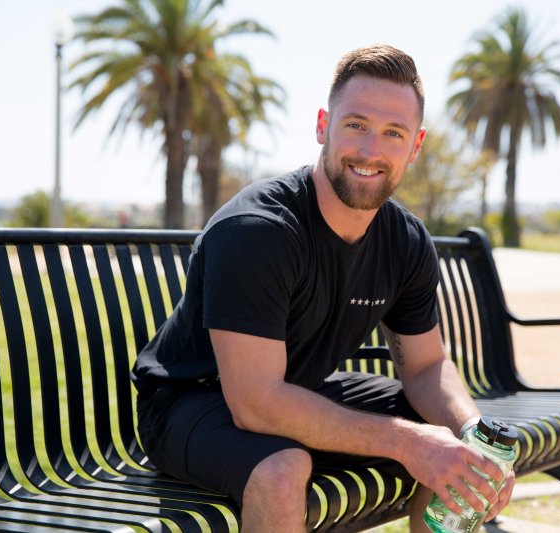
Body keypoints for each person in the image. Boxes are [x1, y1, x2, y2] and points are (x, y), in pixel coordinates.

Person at [131, 44, 515, 532]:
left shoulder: (406, 240)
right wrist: (409, 442)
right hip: (193, 403)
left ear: (414, 147)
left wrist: (472, 437)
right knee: (281, 470)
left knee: (452, 446)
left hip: (294, 391)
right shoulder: (260, 230)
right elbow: (254, 403)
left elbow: (426, 365)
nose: (371, 151)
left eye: (393, 134)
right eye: (356, 125)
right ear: (322, 126)